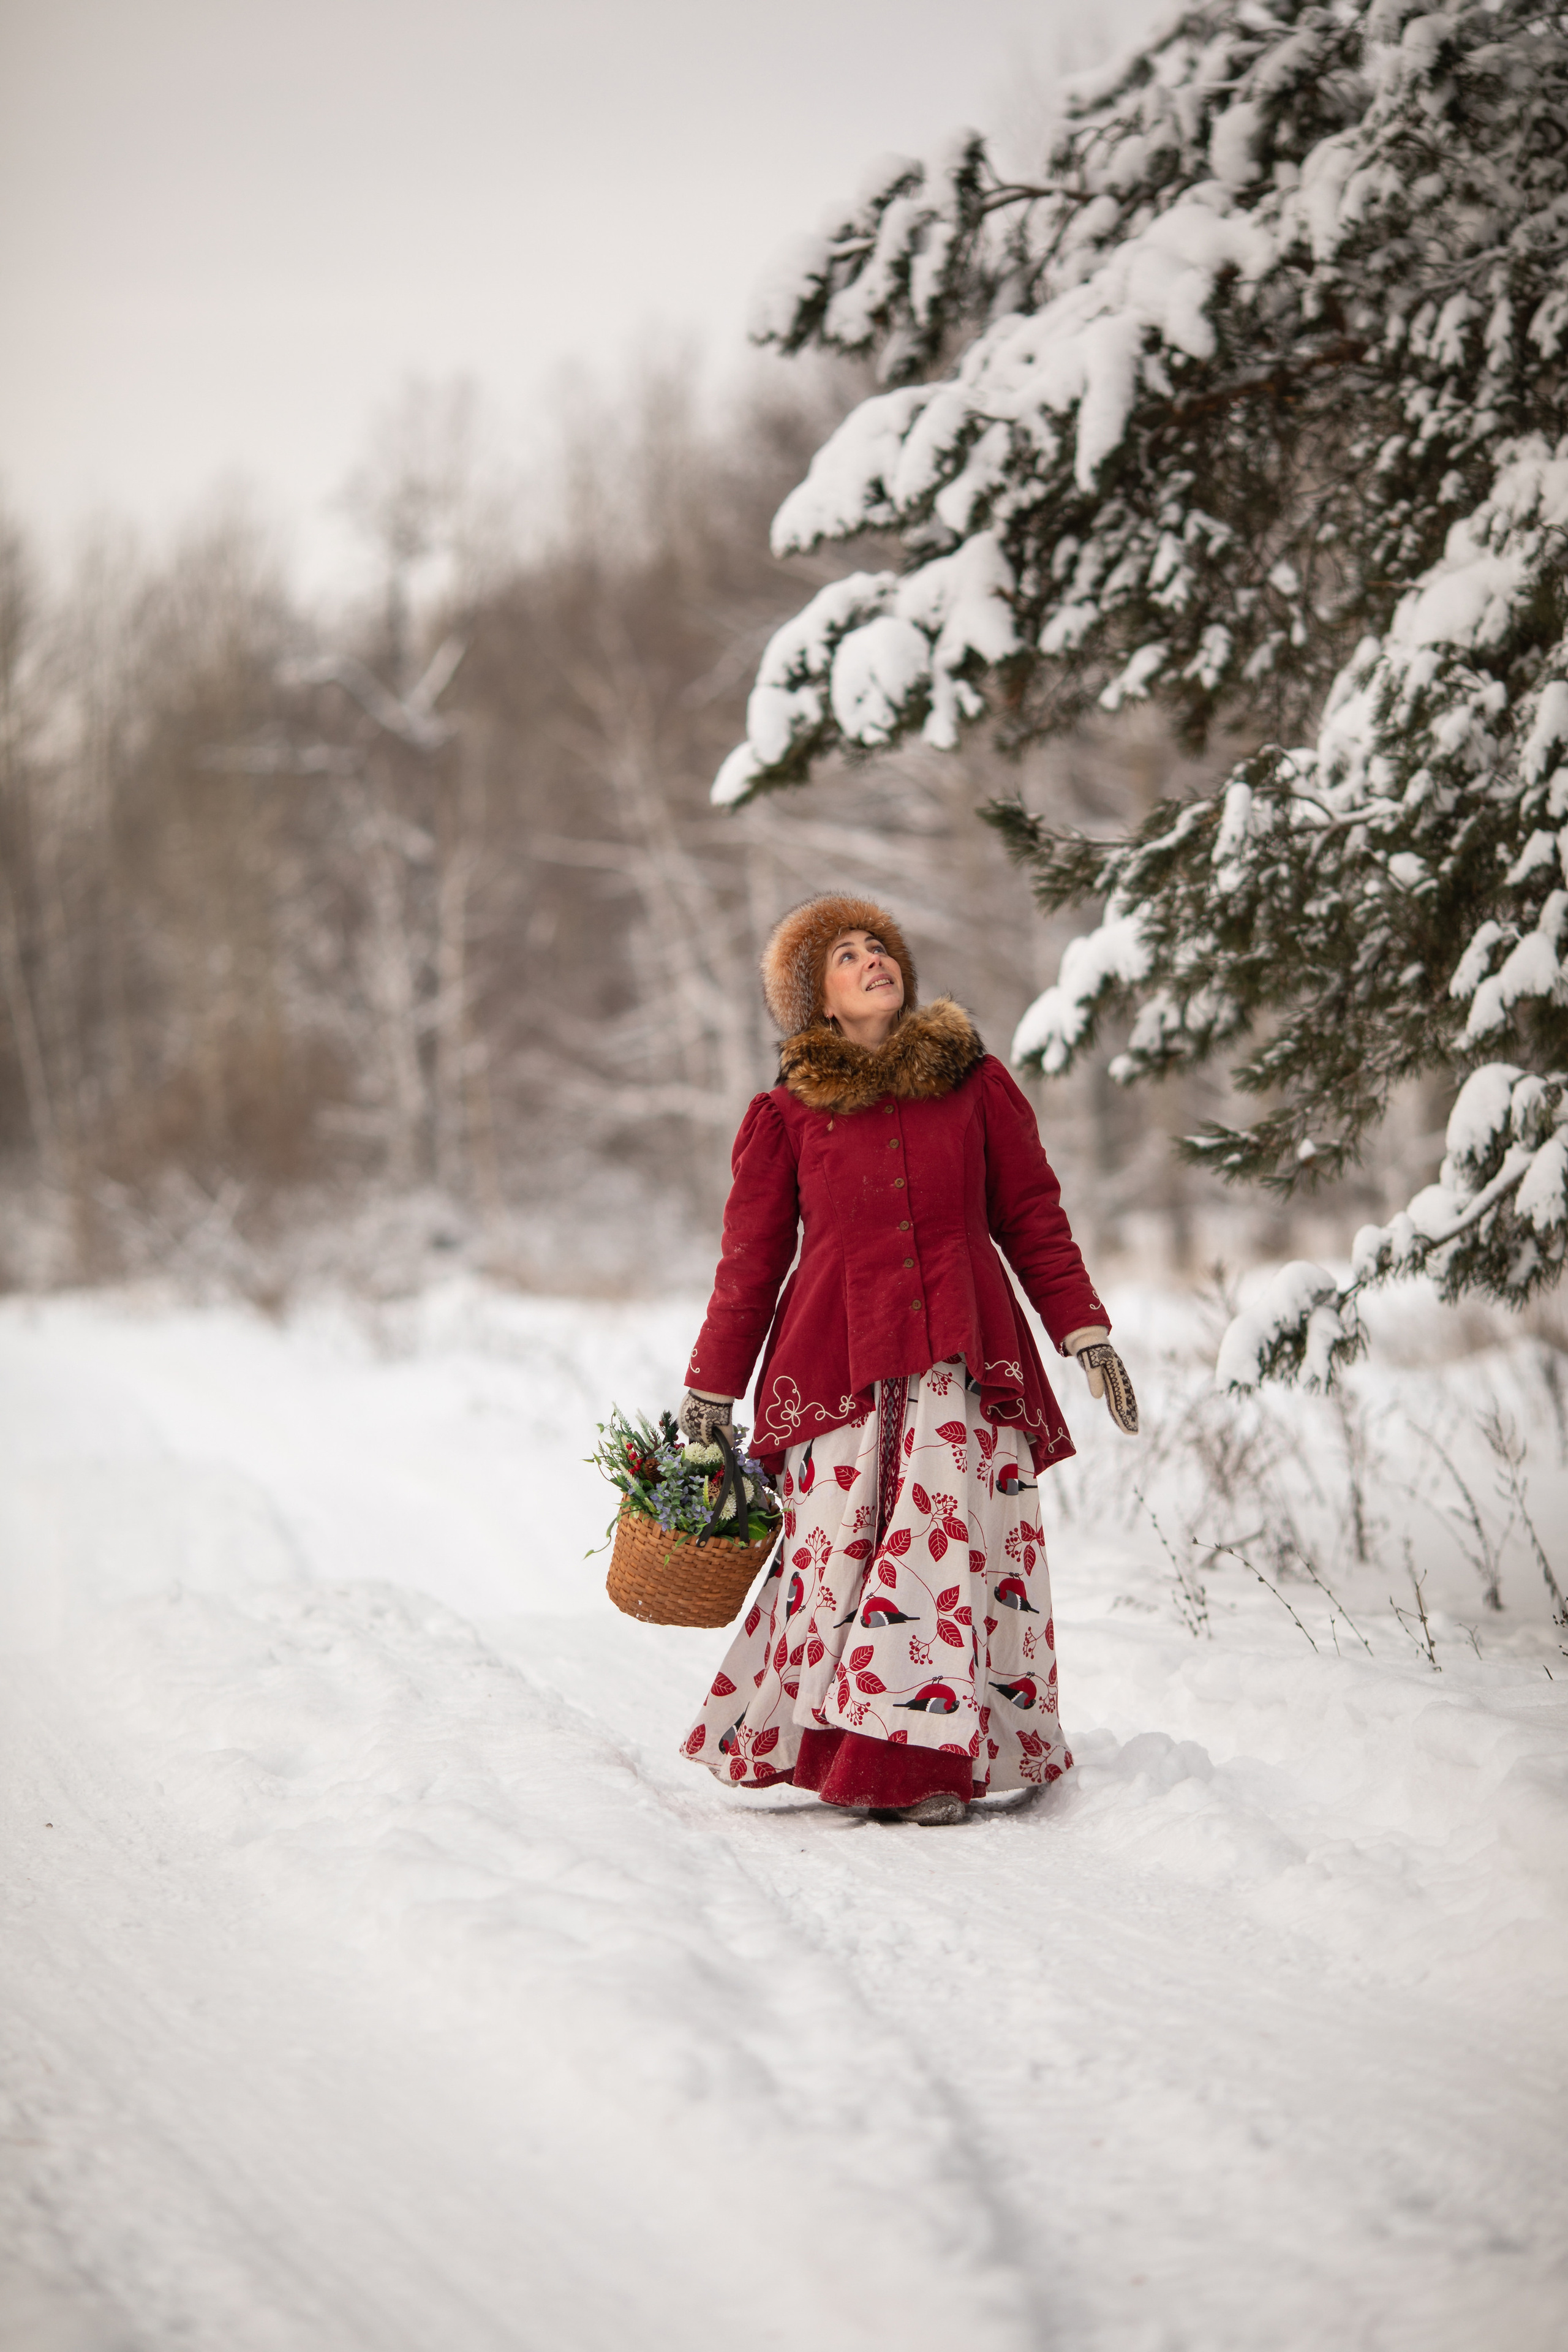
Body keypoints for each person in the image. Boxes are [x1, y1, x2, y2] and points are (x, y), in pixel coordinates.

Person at [677, 894, 1137, 1825]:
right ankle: (850, 1753)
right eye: (846, 956)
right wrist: (713, 1389)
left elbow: (1033, 1218)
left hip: (961, 1361)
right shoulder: (786, 1116)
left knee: (944, 1553)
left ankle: (917, 1768)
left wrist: (1082, 1326)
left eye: (879, 947)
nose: (872, 960)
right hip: (837, 1367)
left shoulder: (976, 1087)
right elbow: (750, 1263)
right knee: (842, 1557)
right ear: (819, 998)